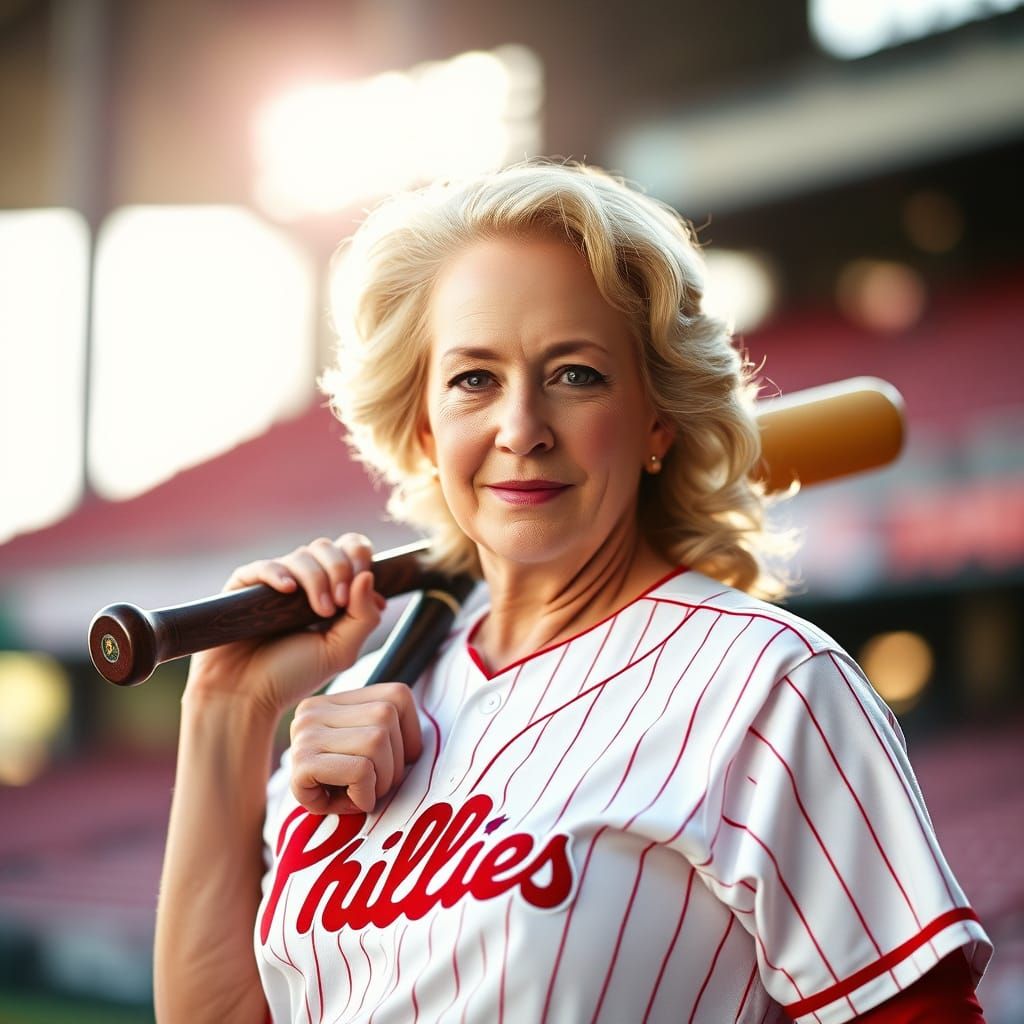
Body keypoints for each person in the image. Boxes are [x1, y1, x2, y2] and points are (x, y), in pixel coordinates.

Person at [154, 162, 992, 1023]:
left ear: (657, 420)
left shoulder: (766, 685)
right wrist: (227, 706)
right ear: (424, 425)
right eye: (474, 379)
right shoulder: (361, 697)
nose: (521, 429)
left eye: (576, 374)